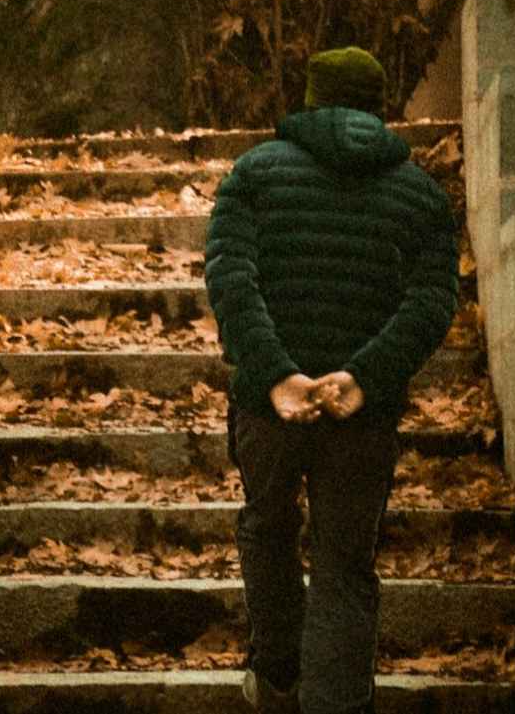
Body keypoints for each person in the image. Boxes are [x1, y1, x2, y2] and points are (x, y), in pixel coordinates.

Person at [204, 46, 458, 714]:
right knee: (345, 562)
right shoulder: (422, 195)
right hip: (362, 418)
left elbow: (232, 278)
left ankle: (278, 675)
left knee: (267, 527)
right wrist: (364, 377)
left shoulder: (253, 174)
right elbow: (433, 301)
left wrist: (277, 376)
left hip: (268, 411)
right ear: (379, 106)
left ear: (311, 98)